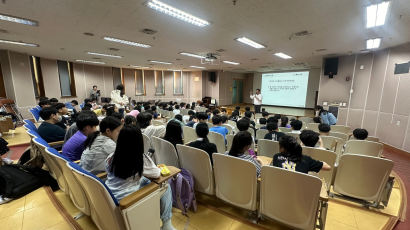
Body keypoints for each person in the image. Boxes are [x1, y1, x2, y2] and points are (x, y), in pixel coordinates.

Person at [105, 125, 175, 230]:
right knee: (166, 186)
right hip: (128, 200)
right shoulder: (139, 160)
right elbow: (156, 174)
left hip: (110, 196)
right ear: (138, 141)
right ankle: (167, 224)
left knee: (144, 180)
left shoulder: (111, 157)